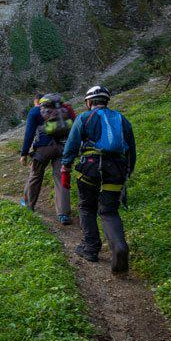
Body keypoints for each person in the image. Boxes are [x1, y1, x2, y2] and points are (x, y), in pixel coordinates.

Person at [61, 85, 136, 273]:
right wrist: (127, 172)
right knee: (109, 211)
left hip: (91, 168)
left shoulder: (84, 118)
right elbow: (131, 150)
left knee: (87, 207)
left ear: (89, 102)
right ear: (106, 101)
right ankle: (119, 247)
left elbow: (71, 144)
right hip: (116, 170)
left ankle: (91, 248)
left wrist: (66, 166)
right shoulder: (122, 119)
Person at [19, 92, 77, 224]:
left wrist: (24, 153)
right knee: (60, 178)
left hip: (43, 149)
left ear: (38, 101)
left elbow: (29, 133)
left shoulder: (35, 111)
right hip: (62, 147)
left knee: (35, 175)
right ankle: (63, 214)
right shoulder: (64, 109)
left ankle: (28, 205)